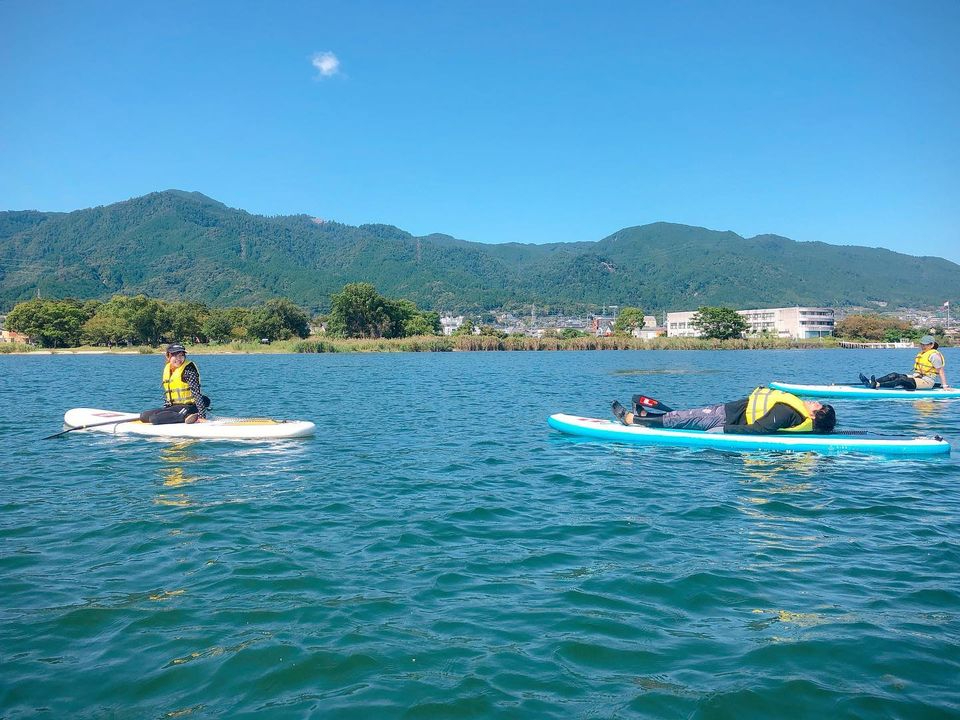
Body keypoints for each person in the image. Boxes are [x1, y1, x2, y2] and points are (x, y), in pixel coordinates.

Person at [611, 386, 837, 434]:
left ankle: (634, 421)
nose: (810, 402)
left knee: (684, 418)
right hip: (729, 412)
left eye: (815, 406)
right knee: (684, 417)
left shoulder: (789, 412)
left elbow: (759, 429)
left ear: (812, 415)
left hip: (726, 418)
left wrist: (723, 431)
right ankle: (647, 416)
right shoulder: (795, 412)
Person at [140, 344, 211, 424]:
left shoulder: (189, 369)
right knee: (143, 416)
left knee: (154, 419)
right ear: (168, 356)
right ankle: (178, 416)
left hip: (189, 406)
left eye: (181, 355)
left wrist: (202, 416)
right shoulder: (168, 368)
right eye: (175, 356)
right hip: (174, 407)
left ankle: (187, 416)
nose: (179, 359)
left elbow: (196, 394)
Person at [859, 335, 950, 390]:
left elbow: (941, 371)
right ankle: (872, 382)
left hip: (927, 382)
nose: (923, 346)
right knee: (894, 375)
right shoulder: (923, 353)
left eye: (925, 344)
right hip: (918, 377)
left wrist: (944, 385)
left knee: (901, 380)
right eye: (922, 344)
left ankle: (877, 385)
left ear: (932, 345)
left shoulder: (934, 355)